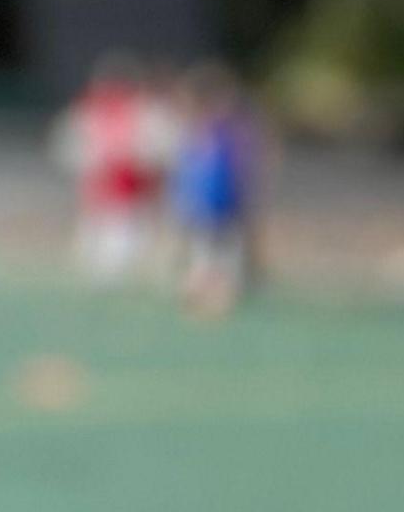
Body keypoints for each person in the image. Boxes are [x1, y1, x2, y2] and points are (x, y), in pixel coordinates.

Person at [53, 53, 168, 285]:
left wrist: (135, 161)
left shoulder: (143, 113)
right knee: (99, 252)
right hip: (100, 193)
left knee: (128, 246)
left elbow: (157, 150)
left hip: (131, 193)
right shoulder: (87, 113)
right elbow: (71, 150)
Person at [173, 63, 264, 317]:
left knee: (225, 256)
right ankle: (201, 298)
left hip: (225, 205)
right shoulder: (198, 132)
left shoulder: (229, 133)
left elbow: (242, 173)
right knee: (205, 254)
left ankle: (218, 300)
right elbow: (189, 177)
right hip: (205, 206)